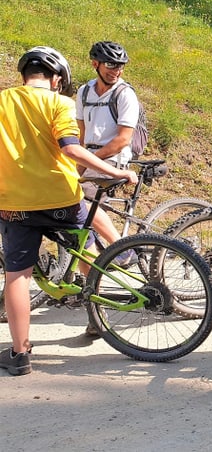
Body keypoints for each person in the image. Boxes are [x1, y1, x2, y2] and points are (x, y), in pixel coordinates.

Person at [0, 46, 137, 376]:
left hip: (14, 203)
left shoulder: (3, 101)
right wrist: (116, 171)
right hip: (62, 197)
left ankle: (20, 355)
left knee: (17, 275)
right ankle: (98, 318)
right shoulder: (59, 103)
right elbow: (72, 149)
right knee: (87, 250)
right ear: (57, 78)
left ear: (24, 75)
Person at [76, 41, 141, 278]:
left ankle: (121, 249)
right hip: (90, 156)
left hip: (113, 159)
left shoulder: (125, 94)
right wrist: (78, 164)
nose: (116, 70)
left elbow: (123, 139)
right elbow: (81, 135)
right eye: (111, 65)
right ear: (95, 64)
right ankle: (88, 277)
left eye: (120, 66)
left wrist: (91, 159)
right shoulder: (84, 92)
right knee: (63, 197)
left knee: (80, 198)